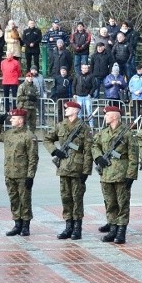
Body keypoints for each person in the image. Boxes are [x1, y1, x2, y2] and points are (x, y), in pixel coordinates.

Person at [44, 101, 93, 240]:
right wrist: (55, 151)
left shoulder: (84, 128)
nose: (65, 110)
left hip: (77, 168)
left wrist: (86, 171)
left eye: (68, 108)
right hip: (64, 167)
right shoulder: (61, 125)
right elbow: (47, 139)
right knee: (65, 197)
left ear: (76, 110)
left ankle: (77, 228)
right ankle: (68, 226)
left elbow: (88, 151)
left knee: (77, 198)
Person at [92, 105, 137, 244]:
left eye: (107, 115)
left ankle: (121, 231)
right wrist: (98, 157)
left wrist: (131, 176)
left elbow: (134, 156)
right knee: (110, 203)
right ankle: (112, 229)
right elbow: (94, 145)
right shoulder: (103, 133)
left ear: (115, 116)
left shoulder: (127, 133)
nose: (105, 117)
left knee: (122, 203)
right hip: (106, 174)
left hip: (121, 174)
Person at [0, 109, 38, 237]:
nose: (11, 119)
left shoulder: (29, 136)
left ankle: (25, 225)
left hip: (23, 174)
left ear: (21, 120)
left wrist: (31, 176)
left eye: (14, 118)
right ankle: (17, 224)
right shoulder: (8, 134)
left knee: (25, 200)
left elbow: (33, 158)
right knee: (14, 199)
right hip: (9, 173)